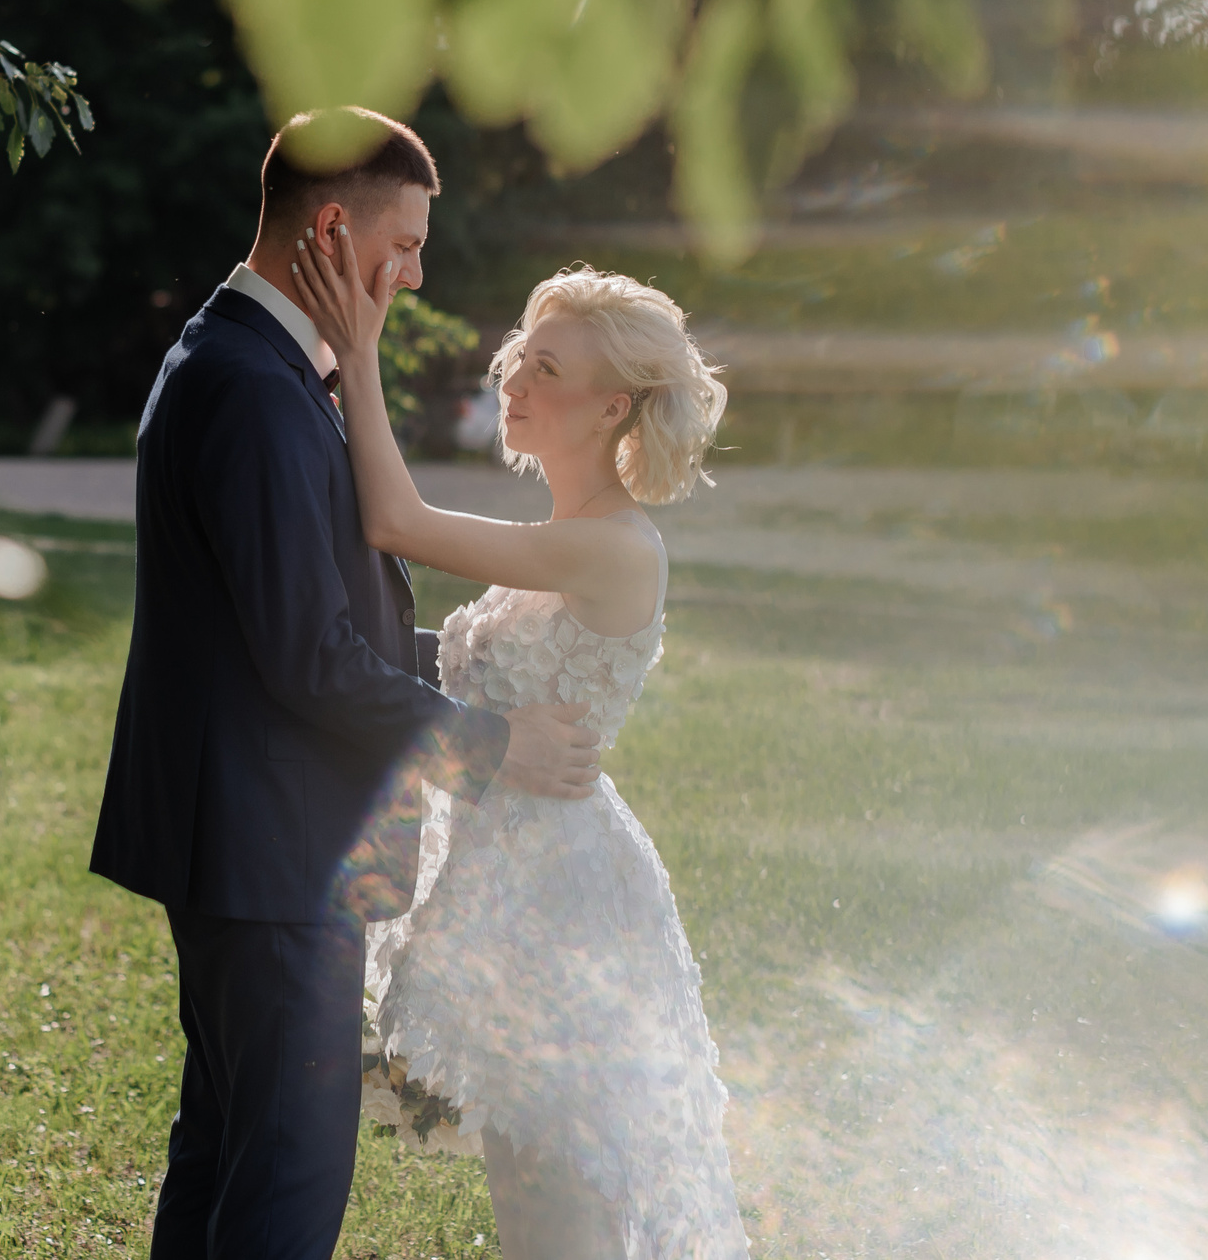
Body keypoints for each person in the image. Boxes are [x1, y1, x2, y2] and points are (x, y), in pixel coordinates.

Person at [88, 107, 605, 1260]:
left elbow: (292, 622)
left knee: (226, 1149)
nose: (414, 273)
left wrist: (466, 667)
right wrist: (489, 741)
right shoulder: (258, 388)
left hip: (245, 838)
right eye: (406, 242)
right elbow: (306, 656)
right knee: (284, 1183)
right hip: (275, 851)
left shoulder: (237, 353)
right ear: (331, 226)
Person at [298, 234, 751, 1260]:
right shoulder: (565, 526)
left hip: (561, 895)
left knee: (559, 1194)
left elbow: (393, 519)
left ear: (613, 406)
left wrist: (358, 355)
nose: (514, 376)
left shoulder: (612, 544)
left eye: (548, 367)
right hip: (509, 871)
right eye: (520, 354)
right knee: (527, 1185)